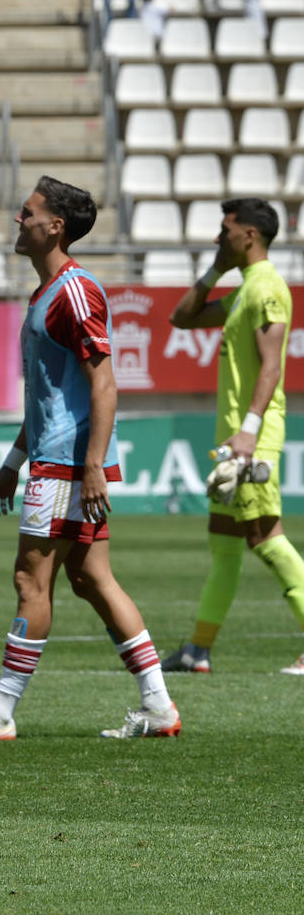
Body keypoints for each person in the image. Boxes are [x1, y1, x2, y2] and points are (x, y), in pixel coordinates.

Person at [0, 177, 180, 742]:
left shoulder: (74, 291)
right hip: (57, 457)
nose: (18, 221)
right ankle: (159, 705)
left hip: (69, 464)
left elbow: (105, 383)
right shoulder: (47, 293)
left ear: (56, 226)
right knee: (91, 578)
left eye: (28, 213)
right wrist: (13, 460)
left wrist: (91, 465)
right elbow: (51, 395)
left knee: (30, 578)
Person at [161, 198, 304, 675]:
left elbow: (272, 365)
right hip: (233, 440)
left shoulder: (267, 288)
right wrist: (213, 271)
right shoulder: (244, 289)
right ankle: (198, 649)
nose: (217, 238)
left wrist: (249, 431)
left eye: (225, 231)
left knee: (265, 537)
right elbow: (180, 318)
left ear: (250, 234)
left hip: (252, 438)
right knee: (223, 542)